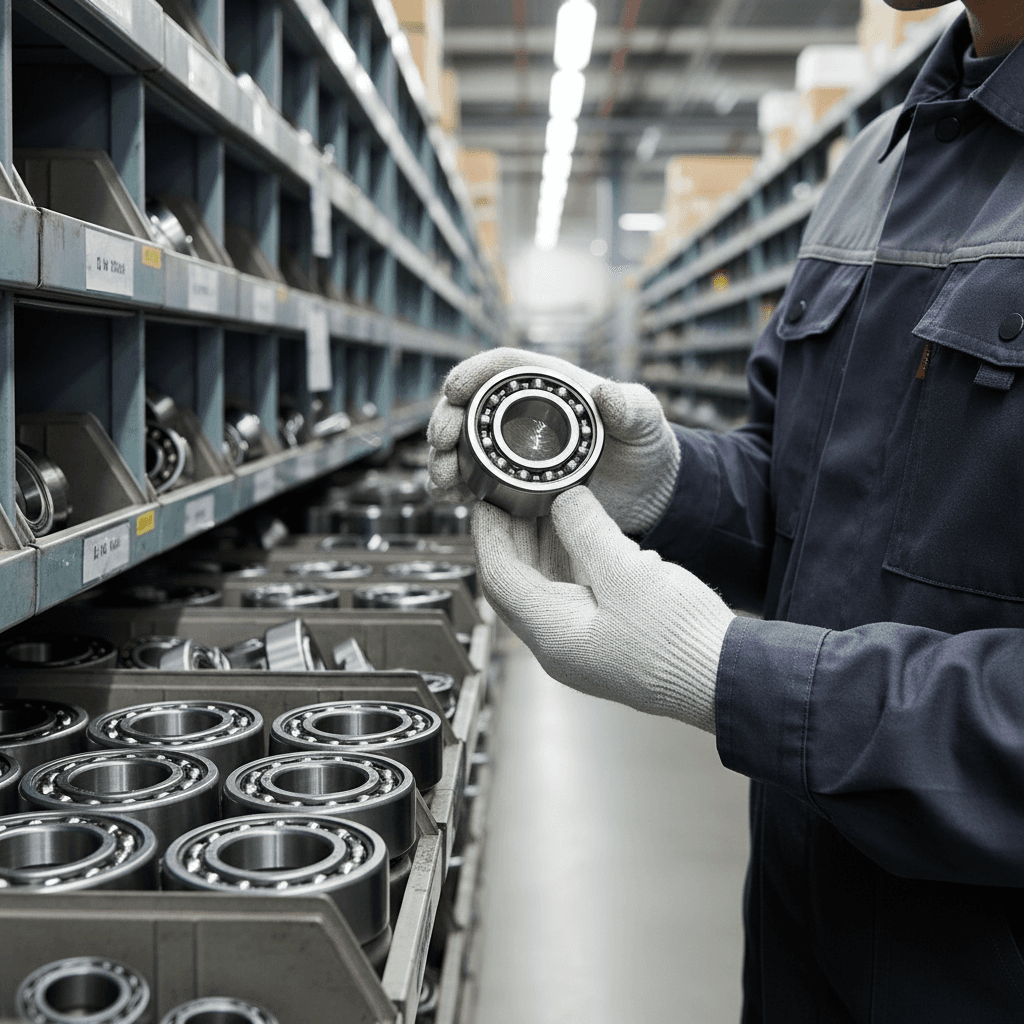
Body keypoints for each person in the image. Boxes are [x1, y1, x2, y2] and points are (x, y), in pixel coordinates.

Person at [429, 0, 1024, 1019]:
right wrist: (665, 484)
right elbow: (819, 507)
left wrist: (730, 673)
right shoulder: (877, 158)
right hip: (800, 931)